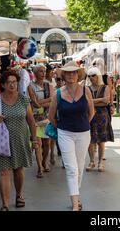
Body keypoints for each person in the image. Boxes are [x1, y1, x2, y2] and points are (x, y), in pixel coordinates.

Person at [0, 70, 39, 211]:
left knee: (18, 169)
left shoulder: (23, 99)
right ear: (3, 84)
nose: (12, 85)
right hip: (2, 142)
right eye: (8, 82)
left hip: (20, 139)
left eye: (14, 82)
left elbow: (31, 121)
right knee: (3, 172)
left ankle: (19, 195)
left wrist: (34, 139)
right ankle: (5, 204)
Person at [48, 61, 94, 211]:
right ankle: (75, 205)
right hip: (65, 133)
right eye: (68, 72)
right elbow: (51, 116)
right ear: (64, 75)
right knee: (71, 168)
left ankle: (76, 195)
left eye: (74, 72)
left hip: (83, 133)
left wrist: (83, 124)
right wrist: (61, 129)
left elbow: (91, 112)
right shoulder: (58, 93)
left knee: (79, 167)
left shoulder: (86, 90)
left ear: (77, 75)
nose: (71, 75)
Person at [28, 65, 55, 177]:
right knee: (37, 143)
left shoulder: (49, 85)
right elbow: (34, 103)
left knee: (47, 143)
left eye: (44, 71)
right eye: (40, 71)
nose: (43, 73)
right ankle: (40, 167)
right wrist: (46, 101)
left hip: (47, 117)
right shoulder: (30, 86)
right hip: (34, 118)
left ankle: (45, 161)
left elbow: (52, 101)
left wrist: (41, 102)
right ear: (35, 73)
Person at [86, 67, 112, 172]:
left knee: (101, 140)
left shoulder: (105, 87)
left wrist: (91, 101)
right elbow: (85, 101)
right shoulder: (87, 88)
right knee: (90, 140)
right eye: (89, 76)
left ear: (98, 76)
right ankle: (91, 161)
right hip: (90, 116)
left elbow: (106, 101)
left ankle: (100, 162)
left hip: (102, 116)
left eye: (93, 75)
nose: (91, 78)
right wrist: (99, 100)